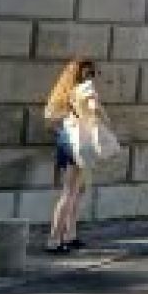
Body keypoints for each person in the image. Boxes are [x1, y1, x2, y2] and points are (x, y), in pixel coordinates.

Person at [43, 58, 109, 255]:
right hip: (80, 142)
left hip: (67, 139)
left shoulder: (63, 92)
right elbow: (98, 114)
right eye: (91, 73)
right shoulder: (85, 90)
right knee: (71, 191)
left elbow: (49, 118)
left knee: (76, 191)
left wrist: (66, 129)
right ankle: (54, 240)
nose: (92, 77)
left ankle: (70, 236)